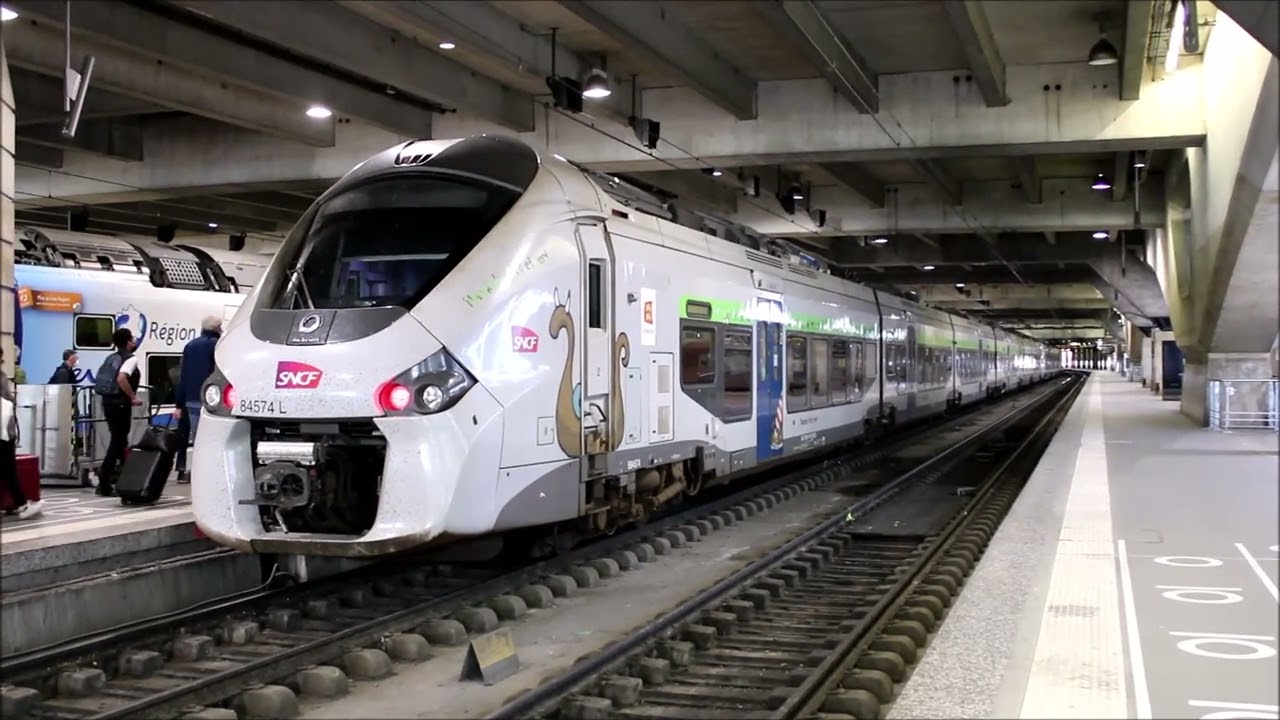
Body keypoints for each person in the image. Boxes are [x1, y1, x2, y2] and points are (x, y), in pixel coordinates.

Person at [174, 316, 222, 482]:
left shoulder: (190, 346)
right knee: (213, 437)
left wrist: (178, 404)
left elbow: (183, 376)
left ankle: (189, 471)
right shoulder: (217, 346)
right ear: (217, 327)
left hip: (191, 399)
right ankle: (208, 472)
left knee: (196, 437)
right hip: (212, 398)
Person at [94, 328, 142, 496]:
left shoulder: (111, 358)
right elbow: (121, 378)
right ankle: (104, 483)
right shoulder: (130, 359)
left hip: (107, 402)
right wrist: (133, 397)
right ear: (128, 342)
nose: (134, 342)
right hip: (121, 404)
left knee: (120, 442)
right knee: (117, 441)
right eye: (132, 339)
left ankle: (128, 480)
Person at [2, 383, 43, 519]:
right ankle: (22, 504)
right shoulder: (6, 403)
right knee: (10, 473)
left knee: (9, 473)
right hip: (4, 439)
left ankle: (22, 503)